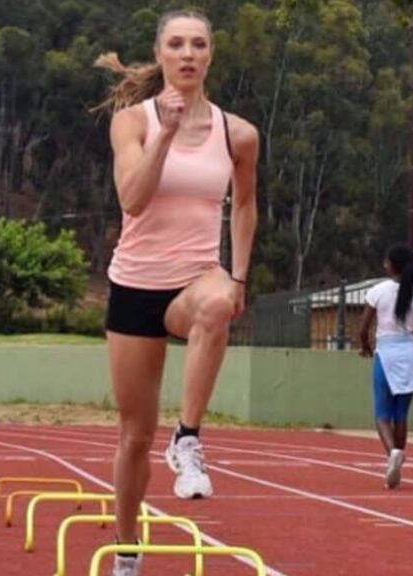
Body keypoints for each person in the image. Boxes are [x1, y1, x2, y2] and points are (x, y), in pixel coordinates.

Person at [93, 9, 259, 575]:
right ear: (160, 54)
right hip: (135, 284)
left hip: (196, 277)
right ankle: (127, 551)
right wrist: (165, 131)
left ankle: (187, 439)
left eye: (198, 44)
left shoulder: (238, 133)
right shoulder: (132, 123)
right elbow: (133, 200)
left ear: (211, 55)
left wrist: (237, 276)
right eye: (176, 44)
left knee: (218, 305)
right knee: (134, 437)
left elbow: (245, 203)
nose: (187, 54)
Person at [358, 243, 413, 489]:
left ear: (392, 265)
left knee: (382, 414)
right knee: (401, 414)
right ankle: (398, 459)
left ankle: (393, 453)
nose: (384, 265)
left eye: (386, 261)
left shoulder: (378, 291)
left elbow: (363, 328)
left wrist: (365, 347)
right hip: (410, 353)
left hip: (386, 353)